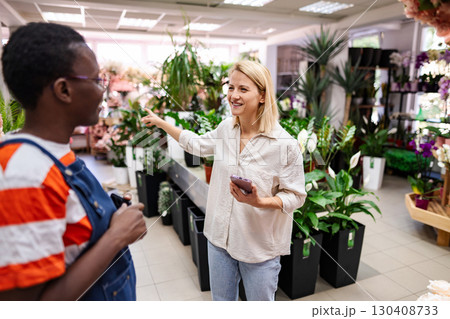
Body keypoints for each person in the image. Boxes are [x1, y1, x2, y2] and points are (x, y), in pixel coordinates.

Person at [0, 22, 147, 301]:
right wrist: (116, 237)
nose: (103, 91)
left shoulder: (57, 153)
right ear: (63, 90)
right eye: (95, 81)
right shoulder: (24, 173)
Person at [142, 60, 306, 301]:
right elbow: (195, 144)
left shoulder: (285, 145)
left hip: (258, 249)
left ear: (262, 96)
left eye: (243, 89)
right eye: (231, 87)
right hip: (219, 240)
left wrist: (261, 202)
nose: (233, 95)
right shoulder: (226, 129)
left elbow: (296, 196)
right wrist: (161, 122)